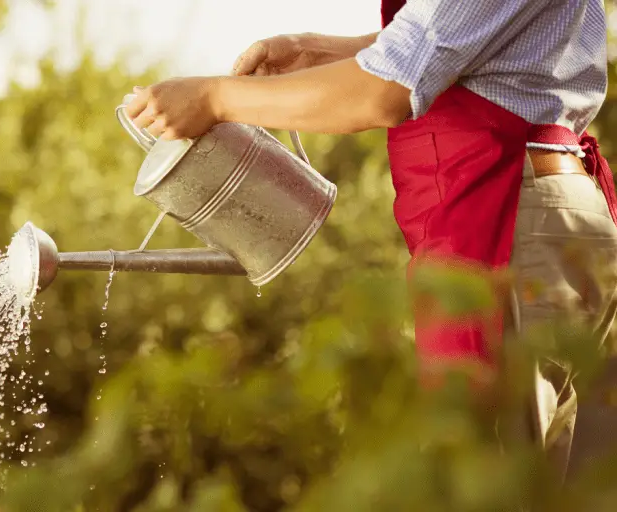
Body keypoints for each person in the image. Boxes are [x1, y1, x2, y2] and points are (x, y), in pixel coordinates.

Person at [123, 0, 617, 482]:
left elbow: (383, 91)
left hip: (506, 216)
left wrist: (215, 98)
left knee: (474, 480)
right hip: (546, 218)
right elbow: (465, 38)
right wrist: (319, 52)